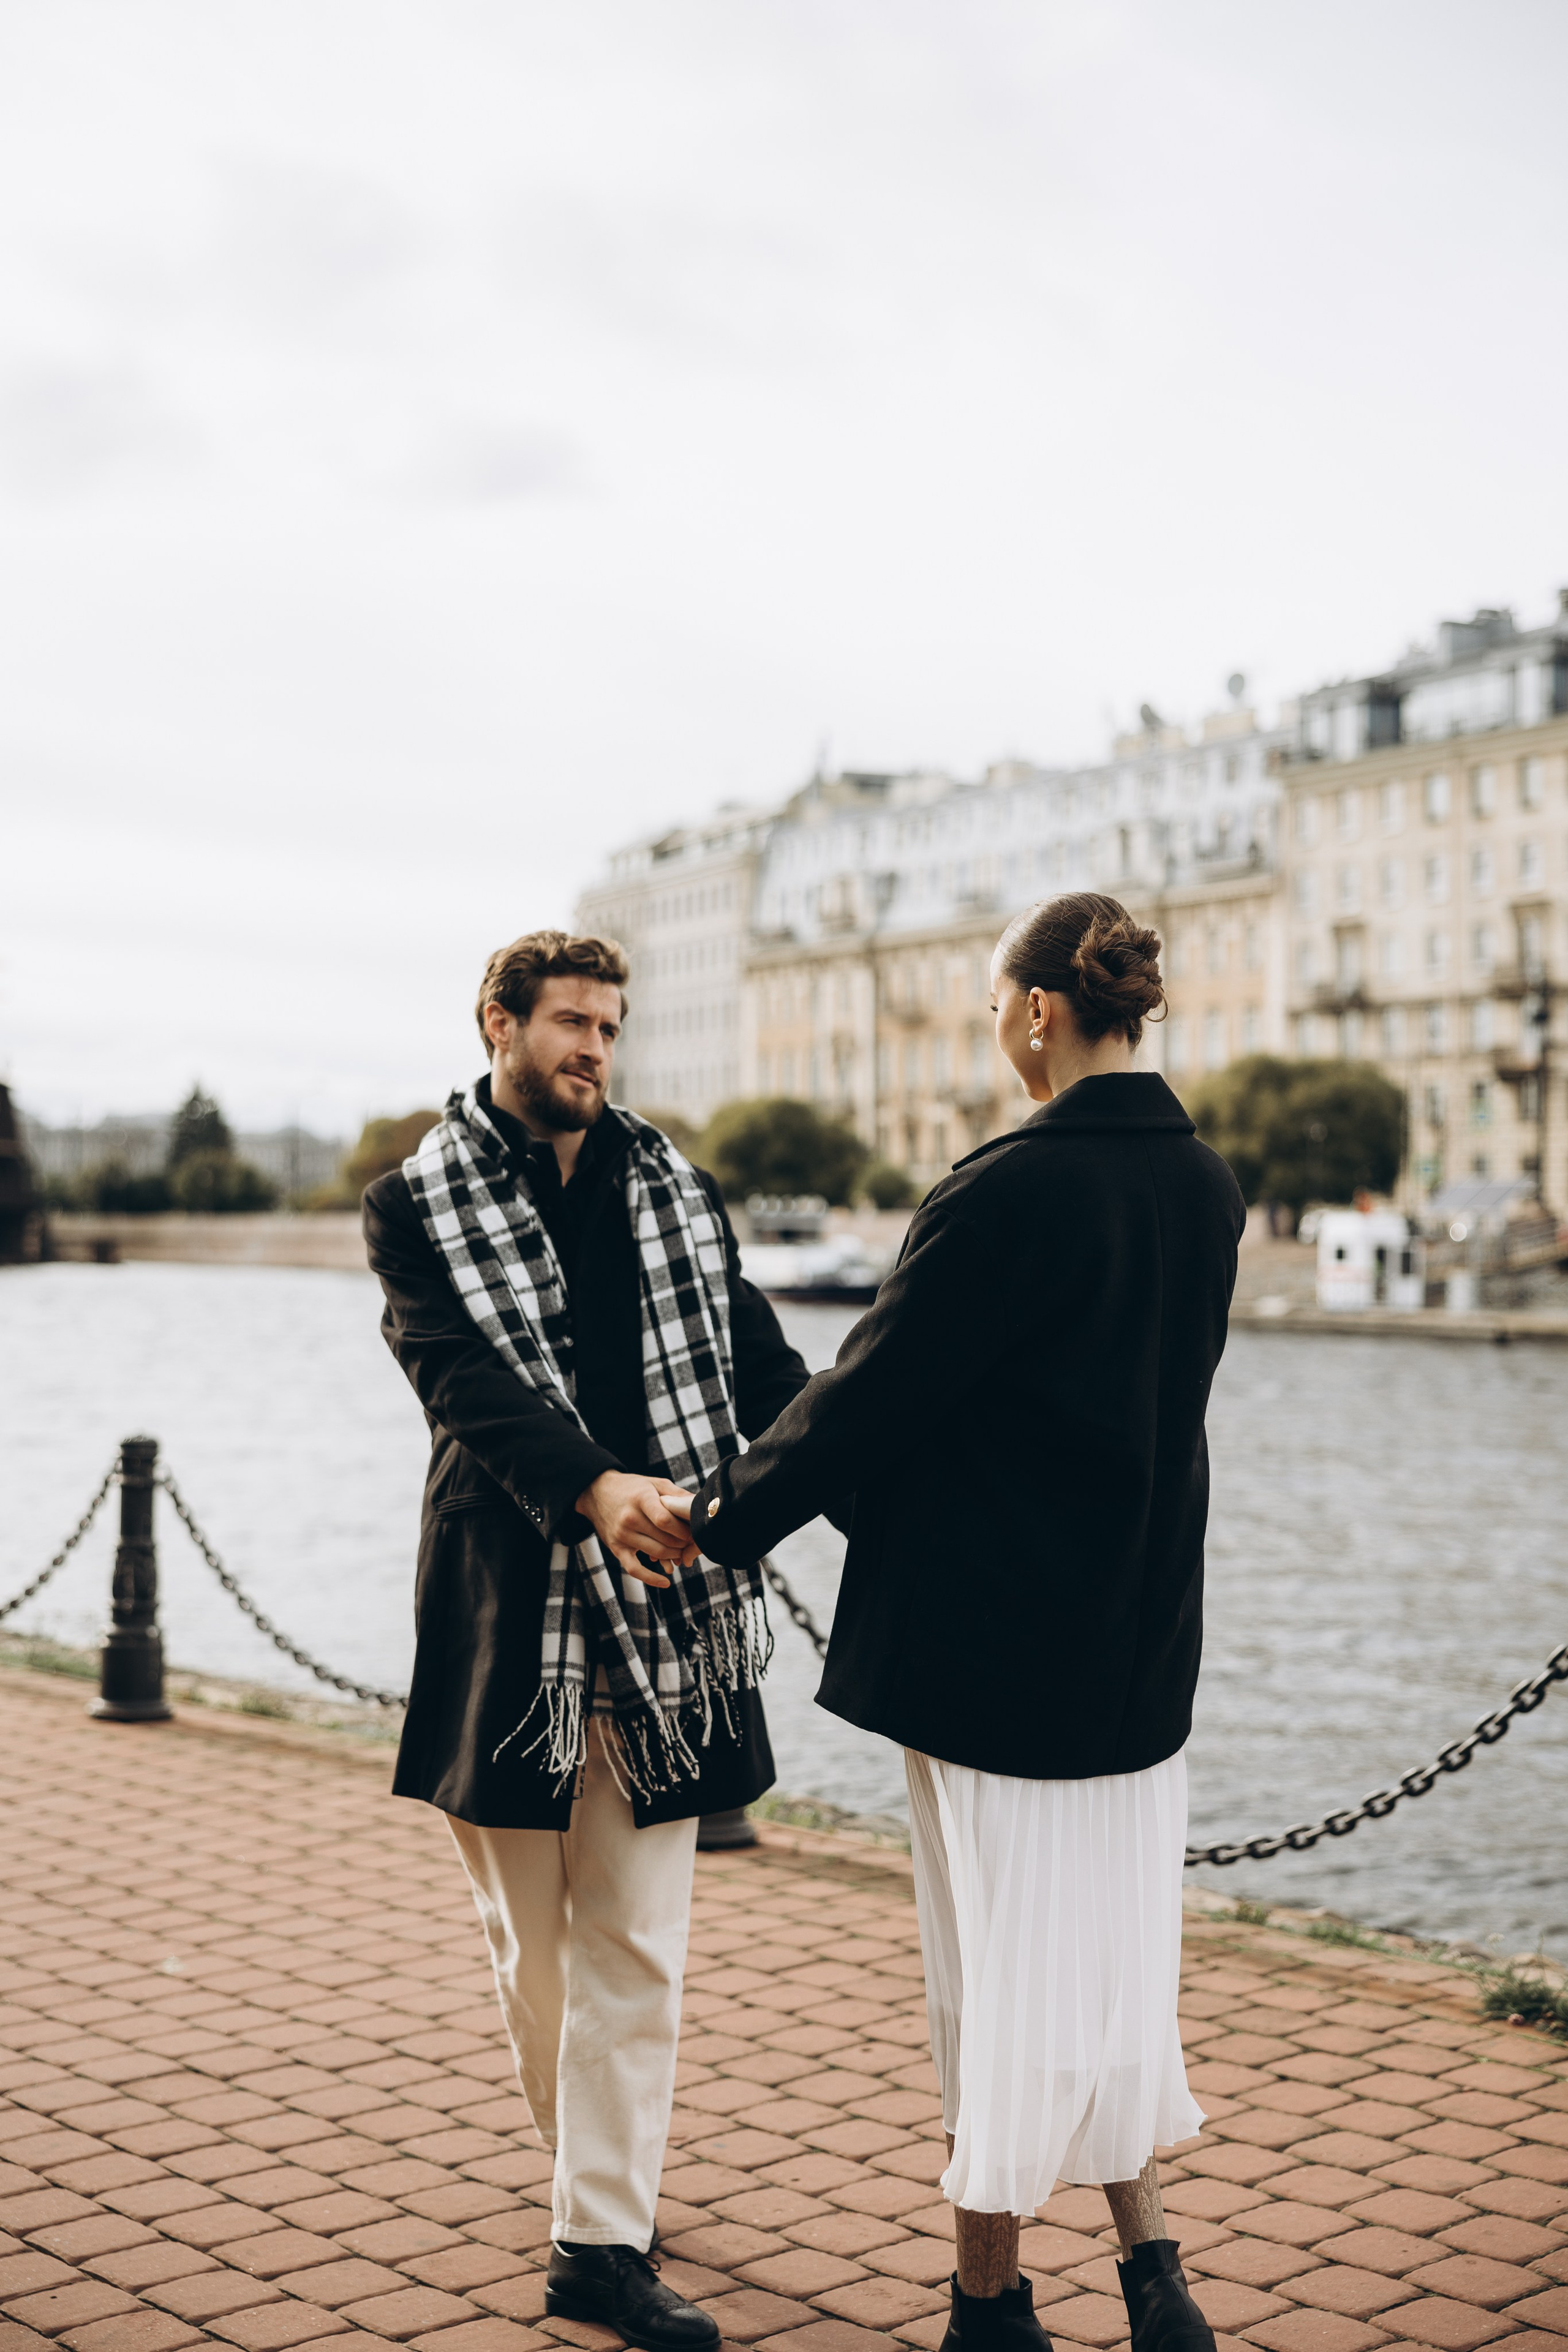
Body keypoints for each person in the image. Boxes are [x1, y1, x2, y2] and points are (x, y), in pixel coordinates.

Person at [669, 894, 1245, 2352]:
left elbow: (869, 1403)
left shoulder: (1003, 1188)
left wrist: (717, 1522)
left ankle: (988, 2312)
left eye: (998, 1004)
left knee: (992, 1991)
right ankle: (1153, 2279)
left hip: (995, 1656)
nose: (995, 1029)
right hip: (1134, 1646)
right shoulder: (1202, 1185)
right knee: (1107, 1973)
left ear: (1040, 1009)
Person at [363, 929, 821, 2352]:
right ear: (496, 1023)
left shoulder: (674, 1181)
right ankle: (595, 2178)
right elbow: (456, 1384)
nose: (594, 1052)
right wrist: (589, 1484)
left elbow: (757, 1359)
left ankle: (597, 2240)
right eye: (570, 1024)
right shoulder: (414, 1204)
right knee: (531, 1945)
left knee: (635, 1937)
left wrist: (857, 1476)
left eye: (610, 1029)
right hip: (509, 1604)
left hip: (673, 1607)